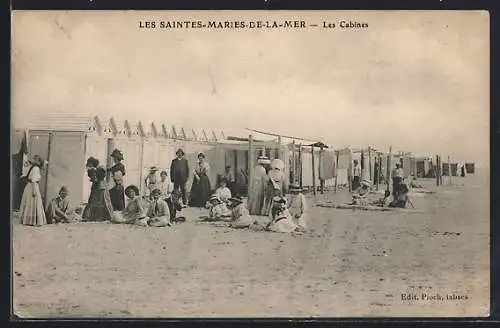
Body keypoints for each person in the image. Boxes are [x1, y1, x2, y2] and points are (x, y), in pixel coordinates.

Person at [19, 155, 47, 226]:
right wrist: (34, 190)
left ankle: (28, 220)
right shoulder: (36, 168)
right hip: (33, 186)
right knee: (33, 202)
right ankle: (32, 221)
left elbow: (24, 175)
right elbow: (34, 180)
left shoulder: (32, 167)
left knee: (29, 203)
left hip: (29, 186)